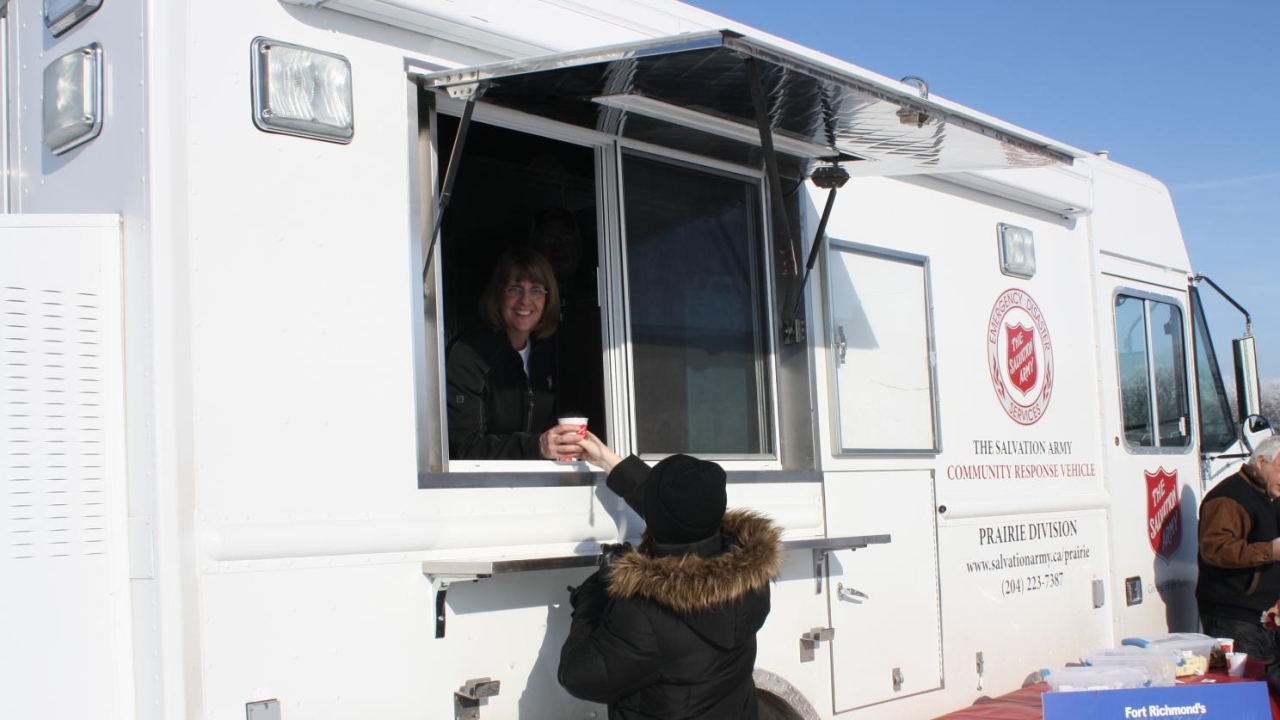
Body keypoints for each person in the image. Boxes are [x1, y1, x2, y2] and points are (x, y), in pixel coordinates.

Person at [557, 434, 782, 719]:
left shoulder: (646, 614)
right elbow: (681, 511)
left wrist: (594, 596)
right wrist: (607, 460)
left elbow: (578, 676)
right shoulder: (751, 577)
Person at [445, 248, 585, 460]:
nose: (525, 301)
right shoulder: (470, 353)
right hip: (482, 488)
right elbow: (467, 447)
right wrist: (536, 446)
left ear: (548, 298)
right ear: (498, 294)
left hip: (541, 484)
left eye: (536, 290)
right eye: (515, 290)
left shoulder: (548, 353)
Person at [1196, 434, 1280, 691]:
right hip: (1234, 617)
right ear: (1262, 461)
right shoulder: (1229, 497)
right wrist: (1270, 551)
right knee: (1244, 690)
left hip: (1265, 617)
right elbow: (1215, 548)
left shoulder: (1270, 496)